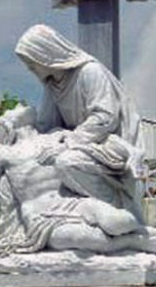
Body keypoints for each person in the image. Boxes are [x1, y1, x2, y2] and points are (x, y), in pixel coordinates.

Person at [0, 105, 156, 259]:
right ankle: (133, 242)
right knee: (87, 239)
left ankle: (145, 231)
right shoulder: (3, 153)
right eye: (11, 109)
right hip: (42, 218)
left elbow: (101, 139)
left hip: (73, 202)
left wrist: (131, 152)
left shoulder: (56, 137)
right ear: (6, 124)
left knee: (116, 221)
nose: (18, 104)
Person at [14, 24, 146, 218]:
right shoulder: (52, 85)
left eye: (32, 62)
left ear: (45, 54)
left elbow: (105, 118)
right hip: (81, 145)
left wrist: (68, 142)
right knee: (35, 163)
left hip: (107, 145)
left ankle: (119, 211)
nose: (30, 68)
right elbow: (46, 126)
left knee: (68, 162)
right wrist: (22, 133)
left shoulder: (90, 72)